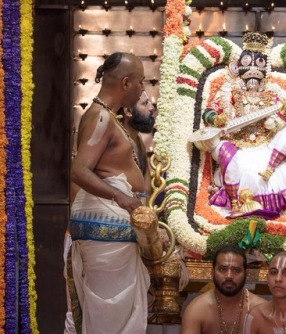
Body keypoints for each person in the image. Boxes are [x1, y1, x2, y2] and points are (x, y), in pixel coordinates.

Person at [67, 52, 149, 334]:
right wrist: (121, 197)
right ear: (126, 83)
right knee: (109, 323)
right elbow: (80, 170)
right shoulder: (102, 117)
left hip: (111, 231)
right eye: (140, 82)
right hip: (106, 232)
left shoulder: (105, 117)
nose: (143, 89)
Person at [190, 32, 286, 219]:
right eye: (247, 63)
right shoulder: (230, 91)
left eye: (257, 64)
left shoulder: (274, 92)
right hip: (237, 146)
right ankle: (235, 203)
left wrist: (279, 120)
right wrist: (216, 119)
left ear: (264, 68)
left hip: (266, 147)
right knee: (222, 150)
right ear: (239, 66)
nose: (252, 69)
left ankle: (270, 170)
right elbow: (208, 112)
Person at [181, 245, 266, 334]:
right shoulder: (197, 310)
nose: (229, 276)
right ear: (212, 272)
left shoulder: (261, 310)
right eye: (222, 269)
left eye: (236, 270)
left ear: (246, 274)